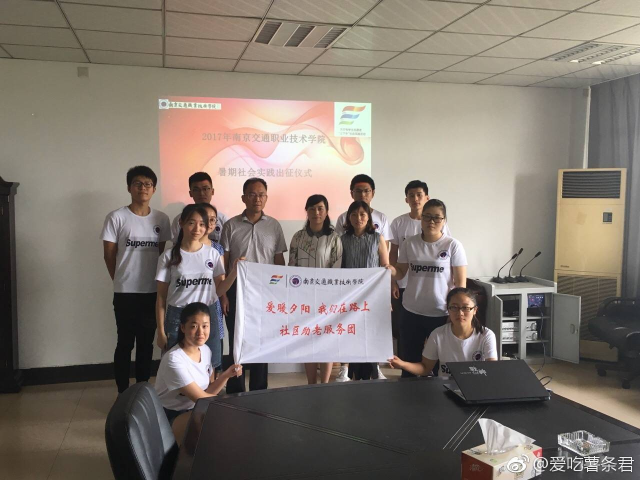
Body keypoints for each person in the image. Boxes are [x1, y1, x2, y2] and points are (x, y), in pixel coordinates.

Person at [101, 166, 171, 394]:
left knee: (146, 344)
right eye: (138, 184)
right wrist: (120, 279)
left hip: (151, 292)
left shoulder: (161, 219)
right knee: (124, 343)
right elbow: (109, 255)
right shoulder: (116, 217)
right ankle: (122, 392)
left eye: (148, 184)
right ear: (129, 187)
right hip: (125, 293)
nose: (143, 188)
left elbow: (161, 254)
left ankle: (142, 390)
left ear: (154, 189)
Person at [220, 177, 287, 392]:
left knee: (261, 340)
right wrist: (223, 294)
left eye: (261, 195)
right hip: (236, 290)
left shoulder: (274, 226)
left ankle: (259, 389)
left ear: (266, 198)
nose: (257, 199)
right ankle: (235, 389)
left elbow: (279, 261)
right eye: (252, 194)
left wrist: (280, 292)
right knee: (236, 339)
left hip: (265, 291)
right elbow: (224, 263)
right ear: (243, 198)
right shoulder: (231, 225)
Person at [390, 199, 467, 378]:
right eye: (427, 217)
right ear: (421, 219)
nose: (431, 221)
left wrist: (456, 313)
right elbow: (400, 272)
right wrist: (389, 270)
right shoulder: (410, 243)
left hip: (440, 313)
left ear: (444, 221)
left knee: (440, 363)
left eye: (437, 218)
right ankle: (409, 392)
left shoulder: (453, 245)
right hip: (411, 311)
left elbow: (460, 285)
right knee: (409, 361)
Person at [156, 205, 238, 371]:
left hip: (208, 313)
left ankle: (210, 389)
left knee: (211, 365)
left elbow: (219, 290)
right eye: (191, 223)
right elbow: (161, 298)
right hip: (178, 315)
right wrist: (161, 331)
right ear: (181, 223)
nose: (197, 229)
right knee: (177, 366)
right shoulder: (168, 256)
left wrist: (235, 271)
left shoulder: (213, 254)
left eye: (202, 224)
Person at [154, 302, 242, 444]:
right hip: (168, 416)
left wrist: (226, 375)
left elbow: (207, 392)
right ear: (183, 327)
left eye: (205, 326)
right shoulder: (174, 359)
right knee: (217, 420)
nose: (201, 332)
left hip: (194, 409)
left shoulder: (206, 350)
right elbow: (202, 399)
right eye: (194, 326)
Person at [335, 174, 391, 381]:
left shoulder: (377, 238)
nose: (358, 218)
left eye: (362, 215)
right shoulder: (342, 239)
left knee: (371, 330)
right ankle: (345, 368)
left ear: (369, 218)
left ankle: (375, 366)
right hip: (348, 292)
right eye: (354, 214)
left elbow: (385, 267)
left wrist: (387, 292)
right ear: (348, 218)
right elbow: (339, 266)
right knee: (348, 329)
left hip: (372, 293)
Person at [389, 181, 451, 353]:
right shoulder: (399, 223)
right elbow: (393, 254)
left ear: (427, 197)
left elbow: (447, 254)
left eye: (419, 195)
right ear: (406, 199)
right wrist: (392, 280)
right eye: (411, 195)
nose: (415, 199)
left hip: (437, 297)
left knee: (436, 346)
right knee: (406, 335)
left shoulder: (446, 233)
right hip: (406, 287)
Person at [288, 194, 343, 384]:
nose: (316, 212)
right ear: (307, 211)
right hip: (303, 299)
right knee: (308, 341)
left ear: (326, 212)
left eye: (320, 208)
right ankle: (311, 383)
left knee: (326, 340)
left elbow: (337, 269)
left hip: (327, 299)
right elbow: (292, 267)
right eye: (311, 208)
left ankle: (324, 384)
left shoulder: (334, 238)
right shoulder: (298, 237)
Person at [388, 288, 497, 377]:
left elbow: (492, 370)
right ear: (448, 309)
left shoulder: (486, 335)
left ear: (475, 310)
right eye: (454, 307)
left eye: (466, 308)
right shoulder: (438, 335)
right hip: (445, 388)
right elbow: (425, 368)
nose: (460, 313)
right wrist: (402, 364)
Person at [197, 202, 227, 370]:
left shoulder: (217, 248)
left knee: (214, 345)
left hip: (212, 304)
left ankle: (214, 380)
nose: (208, 223)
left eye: (213, 219)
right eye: (204, 218)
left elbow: (220, 280)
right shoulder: (182, 248)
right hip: (191, 304)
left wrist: (224, 298)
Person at [170, 172, 228, 244]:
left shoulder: (223, 219)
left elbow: (226, 246)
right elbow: (176, 244)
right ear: (190, 193)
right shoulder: (181, 219)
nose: (201, 193)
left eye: (205, 189)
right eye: (196, 190)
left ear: (212, 191)